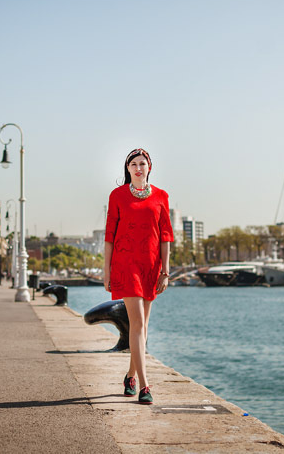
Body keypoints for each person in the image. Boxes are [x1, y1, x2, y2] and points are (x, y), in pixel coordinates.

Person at [104, 148, 174, 405]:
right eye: (133, 164)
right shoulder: (118, 196)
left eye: (142, 163)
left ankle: (130, 376)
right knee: (137, 323)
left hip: (151, 266)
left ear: (149, 167)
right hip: (125, 264)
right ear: (128, 168)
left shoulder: (161, 197)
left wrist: (165, 271)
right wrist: (106, 270)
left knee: (143, 327)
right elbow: (109, 236)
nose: (138, 168)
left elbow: (166, 236)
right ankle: (145, 386)